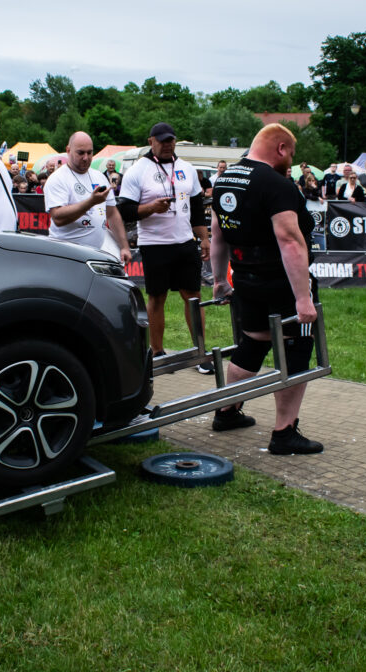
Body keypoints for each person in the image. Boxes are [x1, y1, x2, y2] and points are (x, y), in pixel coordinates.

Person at [208, 123, 322, 454]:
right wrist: (303, 299)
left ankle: (227, 411)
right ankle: (284, 433)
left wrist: (218, 280)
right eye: (292, 154)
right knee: (297, 345)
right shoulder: (277, 184)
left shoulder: (225, 180)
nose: (291, 162)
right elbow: (289, 240)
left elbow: (218, 235)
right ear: (281, 148)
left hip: (244, 279)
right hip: (280, 282)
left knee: (255, 341)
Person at [118, 122, 211, 372]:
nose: (167, 144)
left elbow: (196, 209)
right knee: (157, 298)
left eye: (171, 140)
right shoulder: (138, 171)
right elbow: (124, 209)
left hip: (184, 243)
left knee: (193, 297)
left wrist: (204, 238)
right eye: (162, 140)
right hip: (155, 244)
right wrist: (150, 208)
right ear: (151, 142)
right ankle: (157, 351)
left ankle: (199, 353)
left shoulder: (187, 169)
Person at [44, 131, 132, 265]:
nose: (86, 157)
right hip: (65, 256)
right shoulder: (58, 179)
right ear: (68, 150)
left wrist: (124, 247)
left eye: (89, 152)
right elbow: (58, 218)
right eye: (80, 153)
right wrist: (90, 202)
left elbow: (112, 213)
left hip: (94, 256)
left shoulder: (99, 177)